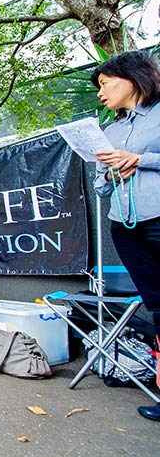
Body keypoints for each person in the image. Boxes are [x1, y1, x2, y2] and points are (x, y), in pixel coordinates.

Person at [91, 50, 160, 422]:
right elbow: (99, 186)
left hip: (159, 216)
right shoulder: (109, 130)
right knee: (159, 307)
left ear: (133, 77)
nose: (101, 93)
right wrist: (108, 176)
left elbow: (142, 159)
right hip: (126, 225)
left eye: (106, 84)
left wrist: (140, 159)